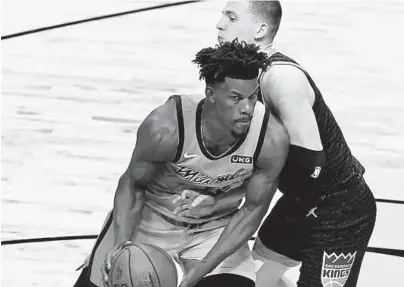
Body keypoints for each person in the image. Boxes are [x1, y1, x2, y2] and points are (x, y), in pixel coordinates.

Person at [175, 1, 377, 287]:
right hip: (297, 202)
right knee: (258, 281)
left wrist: (240, 196)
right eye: (222, 15)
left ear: (260, 30)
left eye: (231, 17)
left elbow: (312, 167)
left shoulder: (281, 77)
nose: (219, 24)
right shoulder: (242, 79)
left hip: (340, 210)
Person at [73, 39, 290, 287]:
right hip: (150, 217)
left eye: (252, 97)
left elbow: (252, 210)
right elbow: (132, 186)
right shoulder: (166, 128)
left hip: (214, 228)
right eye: (236, 98)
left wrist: (201, 270)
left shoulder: (270, 139)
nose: (248, 108)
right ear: (210, 94)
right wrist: (122, 247)